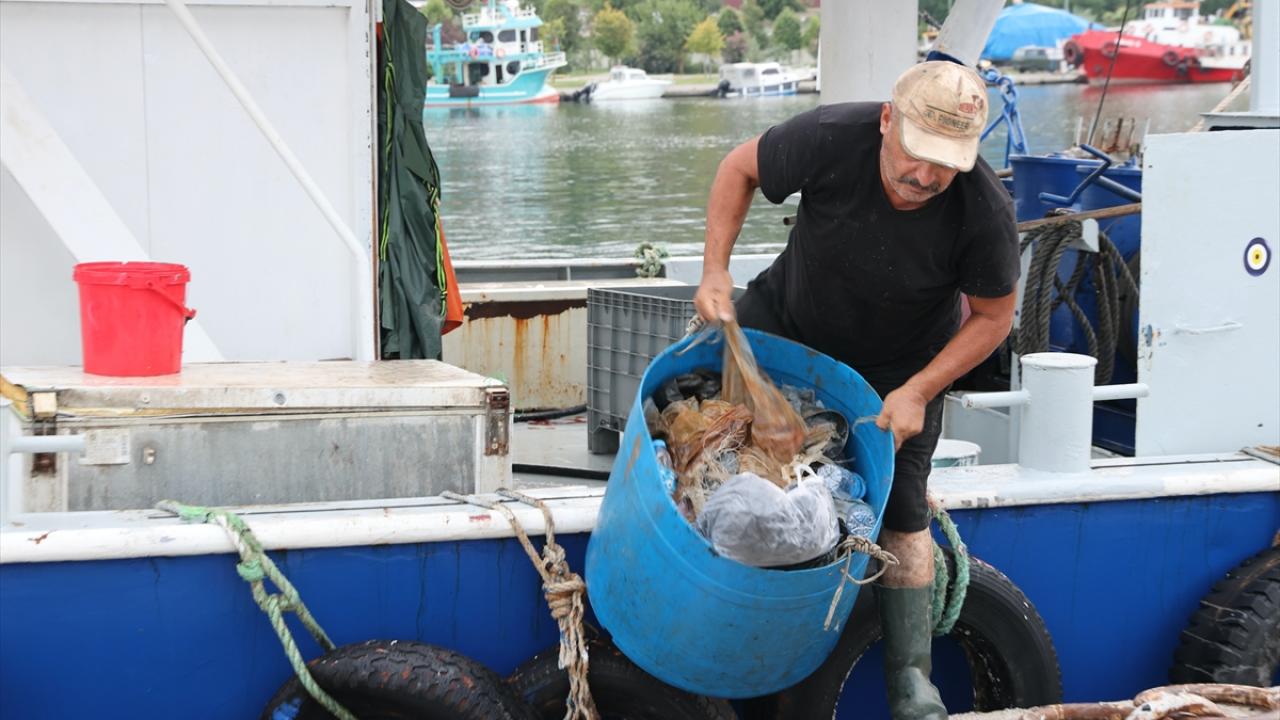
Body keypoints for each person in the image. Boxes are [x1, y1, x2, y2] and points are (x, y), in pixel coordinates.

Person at [693, 61, 1019, 719]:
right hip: (787, 320)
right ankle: (717, 624)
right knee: (708, 438)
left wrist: (920, 391)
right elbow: (739, 168)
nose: (926, 177)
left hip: (902, 369)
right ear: (886, 121)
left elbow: (993, 318)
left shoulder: (982, 210)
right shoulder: (828, 137)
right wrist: (714, 270)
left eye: (946, 164)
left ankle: (910, 679)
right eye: (917, 155)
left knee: (902, 513)